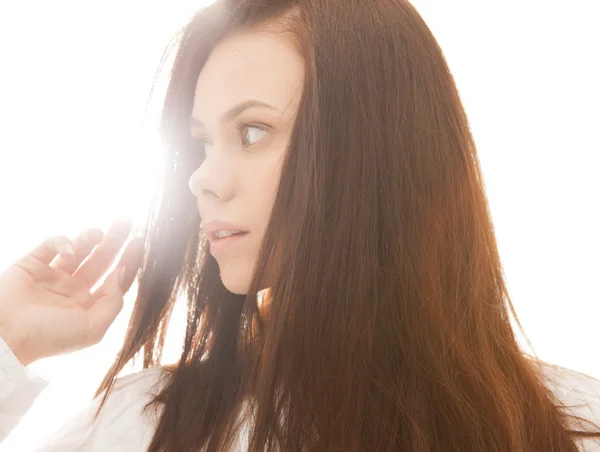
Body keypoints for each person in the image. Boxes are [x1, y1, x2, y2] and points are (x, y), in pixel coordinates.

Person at [1, 0, 599, 450]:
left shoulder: (568, 426)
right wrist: (9, 342)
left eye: (252, 131)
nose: (203, 178)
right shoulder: (137, 427)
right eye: (201, 143)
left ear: (377, 151)